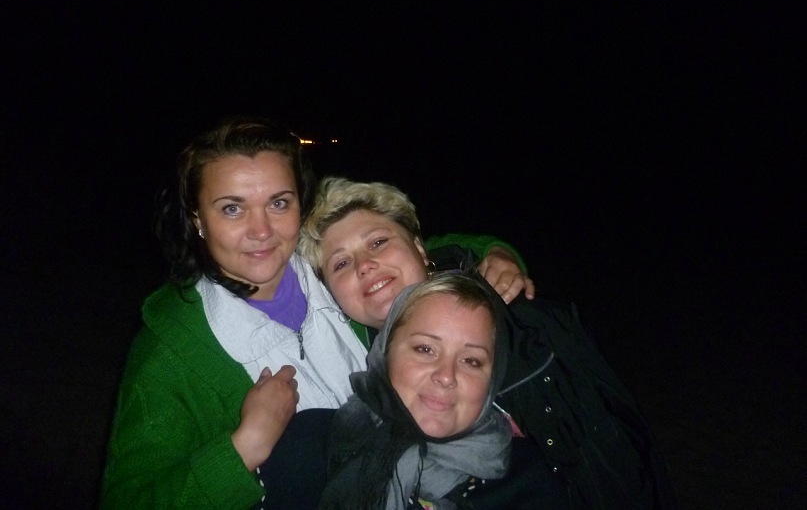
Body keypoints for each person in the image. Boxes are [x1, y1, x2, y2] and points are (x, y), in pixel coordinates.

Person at [100, 115, 534, 509]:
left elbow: (412, 255)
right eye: (233, 208)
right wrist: (242, 448)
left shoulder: (332, 274)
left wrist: (495, 253)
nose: (261, 231)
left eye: (279, 203)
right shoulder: (171, 354)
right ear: (198, 219)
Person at [298, 175, 679, 509]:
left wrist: (495, 250)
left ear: (419, 247)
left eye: (379, 242)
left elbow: (620, 453)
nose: (364, 264)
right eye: (341, 263)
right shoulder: (352, 365)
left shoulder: (525, 324)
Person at [319, 273, 512, 510]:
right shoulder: (309, 448)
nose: (446, 376)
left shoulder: (531, 484)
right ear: (386, 352)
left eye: (471, 361)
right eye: (425, 349)